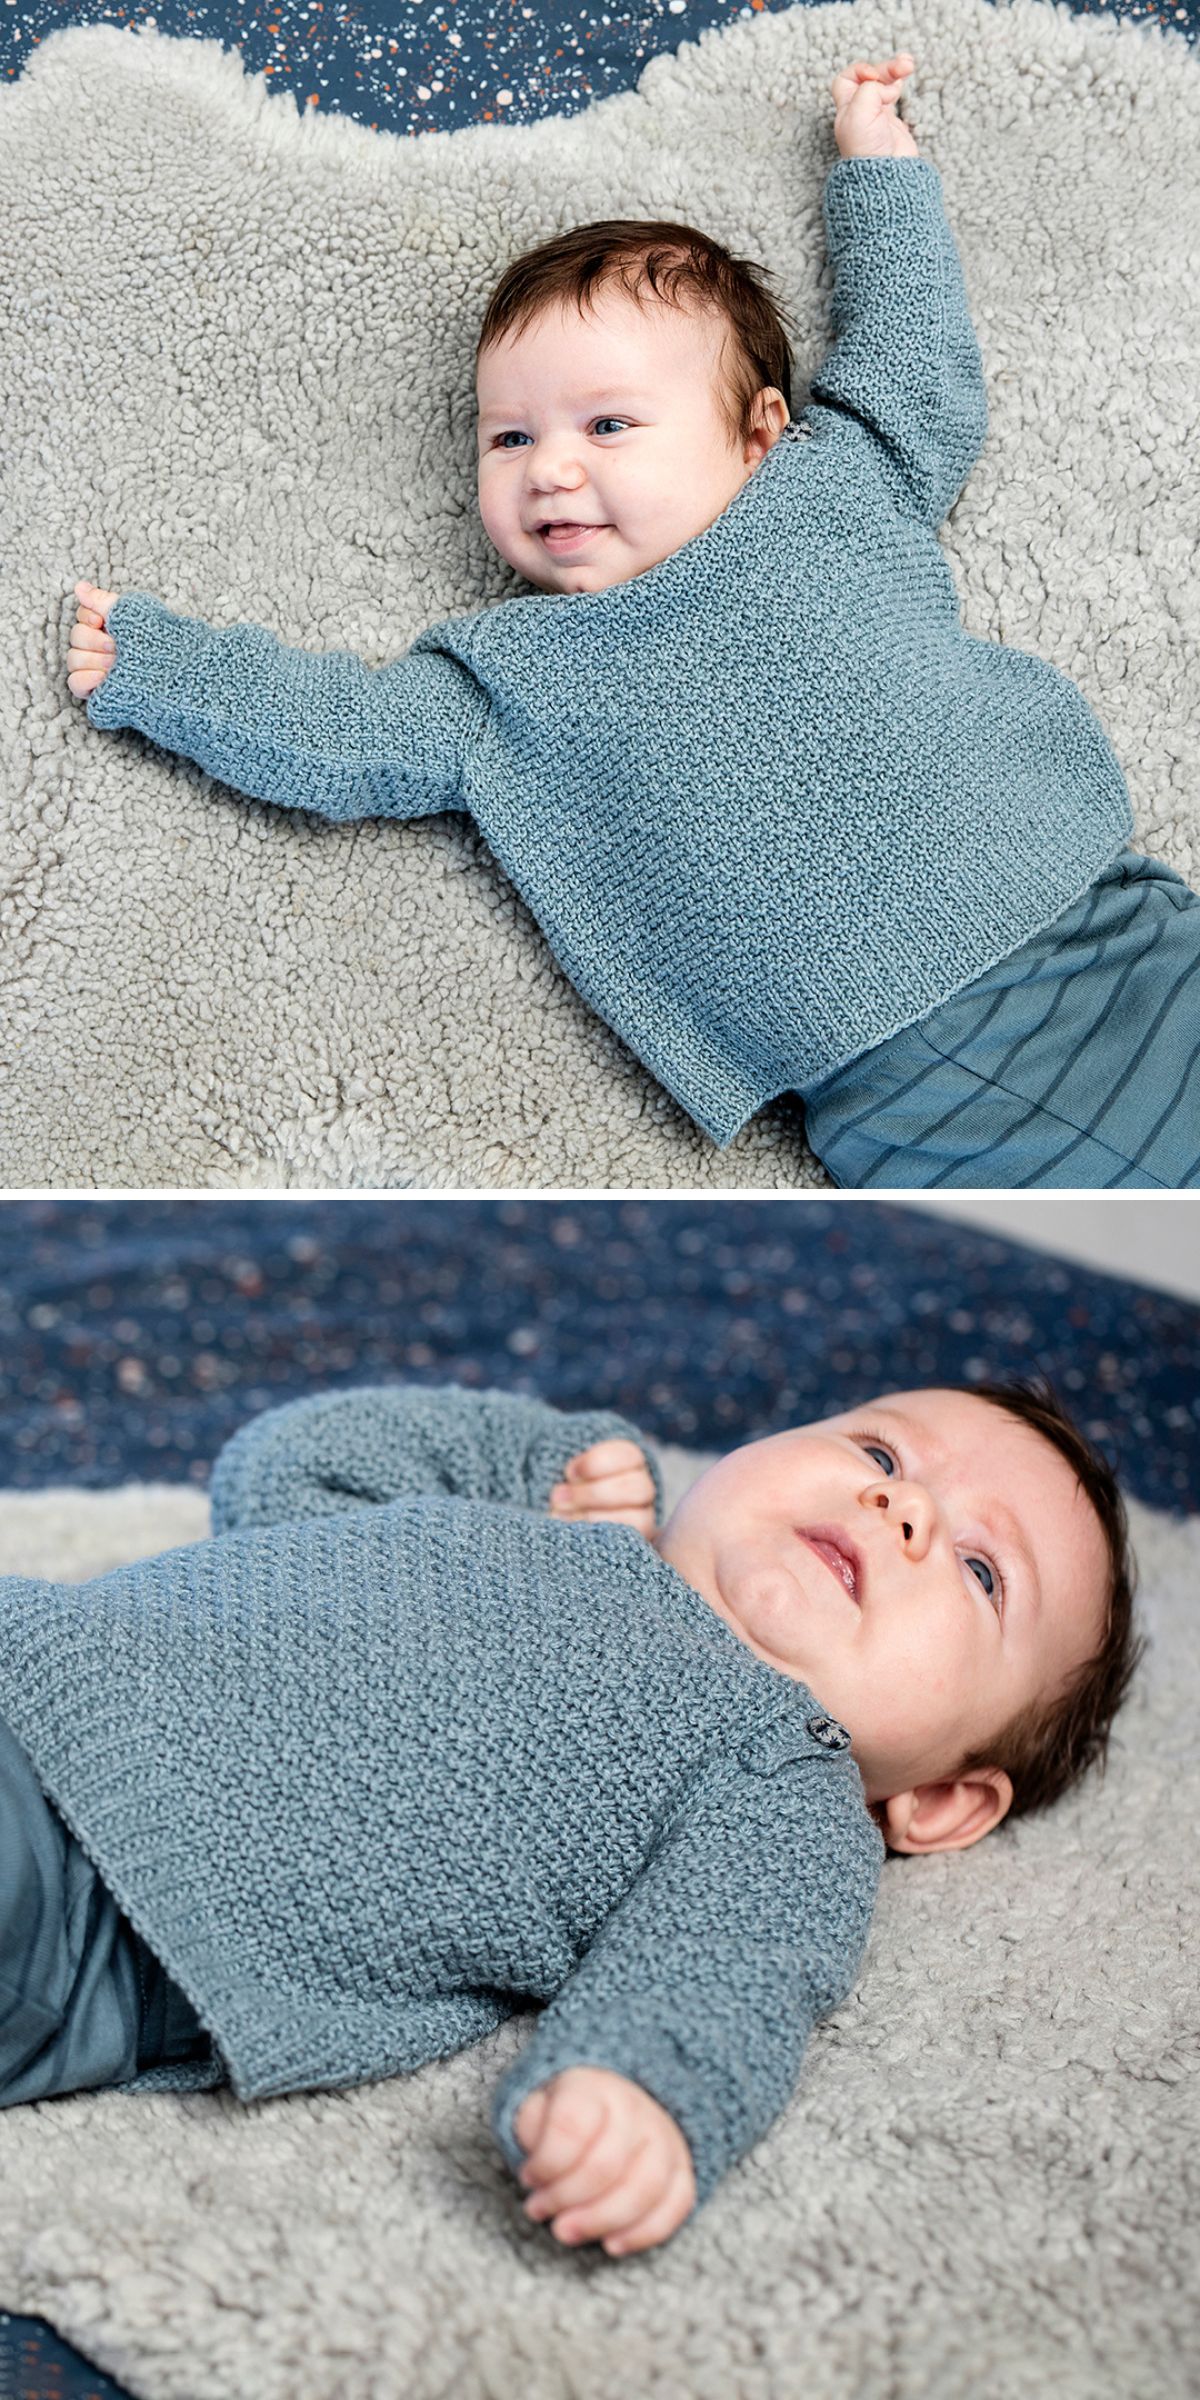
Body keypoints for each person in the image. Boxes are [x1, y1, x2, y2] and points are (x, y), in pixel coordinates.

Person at [64, 52, 1200, 1188]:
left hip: (1115, 937)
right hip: (907, 1090)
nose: (549, 469)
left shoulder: (834, 482)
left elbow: (916, 357)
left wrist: (880, 171)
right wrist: (170, 672)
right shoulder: (503, 679)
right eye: (510, 438)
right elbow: (345, 732)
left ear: (760, 431)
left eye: (608, 426)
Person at [0, 1375, 1141, 2258]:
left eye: (984, 1572)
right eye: (879, 1450)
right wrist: (537, 1461)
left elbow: (733, 1965)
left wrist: (643, 2093)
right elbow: (284, 1474)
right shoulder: (556, 1532)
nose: (901, 1507)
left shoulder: (785, 1783)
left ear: (941, 1803)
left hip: (97, 1900)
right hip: (36, 1652)